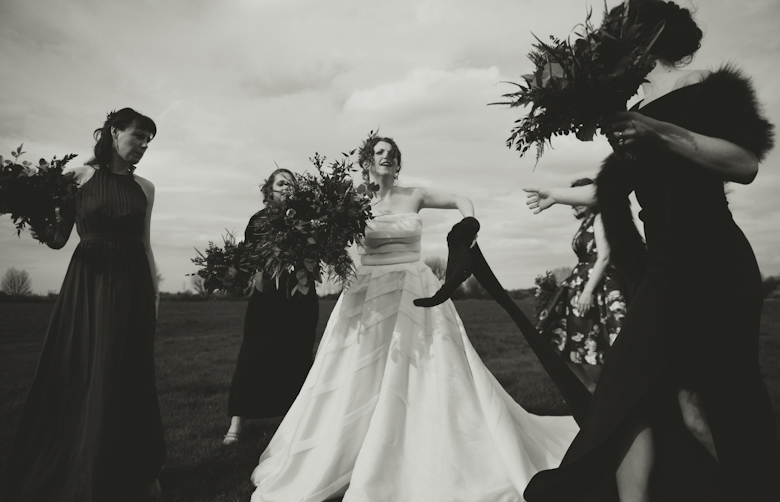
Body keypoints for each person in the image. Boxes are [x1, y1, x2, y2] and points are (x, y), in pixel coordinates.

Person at [523, 2, 780, 501]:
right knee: (629, 395)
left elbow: (745, 163)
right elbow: (615, 188)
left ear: (645, 36)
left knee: (715, 406)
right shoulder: (628, 109)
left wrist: (656, 132)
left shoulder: (704, 85)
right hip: (662, 271)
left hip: (715, 264)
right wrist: (558, 193)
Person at [248, 135, 579, 502]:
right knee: (358, 372)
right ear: (367, 162)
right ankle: (348, 449)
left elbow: (460, 199)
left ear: (398, 163)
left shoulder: (415, 195)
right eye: (379, 153)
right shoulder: (351, 202)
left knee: (429, 369)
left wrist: (469, 223)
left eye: (392, 153)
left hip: (415, 288)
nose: (386, 157)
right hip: (367, 293)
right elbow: (320, 235)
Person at [1, 108, 165, 502]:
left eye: (149, 139)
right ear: (113, 131)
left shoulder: (146, 188)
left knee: (126, 374)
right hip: (89, 284)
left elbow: (144, 244)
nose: (143, 145)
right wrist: (28, 207)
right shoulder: (78, 177)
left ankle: (132, 472)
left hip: (132, 287)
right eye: (138, 135)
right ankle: (79, 463)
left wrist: (154, 297)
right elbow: (59, 238)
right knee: (85, 370)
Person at [223, 168, 319, 445]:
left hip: (299, 299)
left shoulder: (307, 220)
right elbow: (251, 260)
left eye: (290, 183)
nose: (286, 187)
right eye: (280, 183)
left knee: (297, 355)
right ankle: (237, 422)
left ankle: (293, 421)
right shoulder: (258, 221)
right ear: (270, 190)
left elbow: (315, 254)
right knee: (253, 356)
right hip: (267, 299)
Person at [536, 178, 626, 393]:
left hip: (597, 290)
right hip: (579, 287)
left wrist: (587, 292)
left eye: (577, 198)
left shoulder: (601, 217)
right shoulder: (587, 221)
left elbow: (604, 257)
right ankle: (591, 387)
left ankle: (615, 395)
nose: (572, 204)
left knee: (609, 343)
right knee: (553, 339)